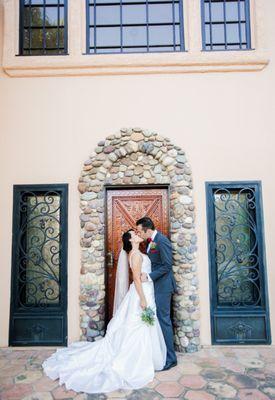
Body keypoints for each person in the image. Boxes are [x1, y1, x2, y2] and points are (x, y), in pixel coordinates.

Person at [42, 229, 166, 394]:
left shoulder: (138, 253)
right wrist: (142, 299)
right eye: (134, 234)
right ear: (131, 240)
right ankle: (135, 361)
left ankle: (146, 358)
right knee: (138, 325)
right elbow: (136, 278)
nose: (137, 234)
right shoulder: (135, 255)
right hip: (141, 293)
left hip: (145, 291)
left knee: (141, 325)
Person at [136, 217, 177, 371]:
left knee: (164, 320)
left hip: (164, 287)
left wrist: (149, 276)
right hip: (156, 286)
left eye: (140, 231)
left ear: (147, 230)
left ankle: (171, 359)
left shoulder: (162, 240)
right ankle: (163, 353)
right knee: (160, 320)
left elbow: (167, 265)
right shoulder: (151, 242)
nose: (139, 233)